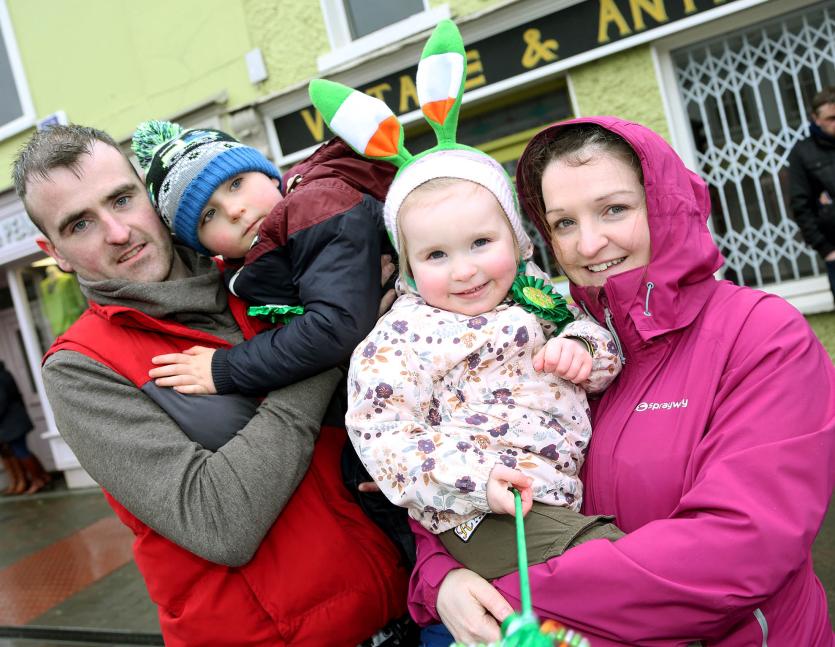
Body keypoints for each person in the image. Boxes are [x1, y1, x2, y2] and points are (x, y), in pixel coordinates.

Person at [407, 117, 835, 646]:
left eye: (614, 209)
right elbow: (462, 475)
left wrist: (504, 593)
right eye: (563, 223)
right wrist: (441, 578)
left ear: (665, 204)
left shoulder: (763, 335)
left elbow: (740, 550)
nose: (589, 244)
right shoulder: (538, 343)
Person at [11, 124, 410, 647]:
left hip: (410, 603)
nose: (117, 231)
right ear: (54, 251)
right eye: (80, 223)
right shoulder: (80, 368)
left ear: (151, 196)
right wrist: (326, 349)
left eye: (123, 199)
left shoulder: (262, 268)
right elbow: (218, 523)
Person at [310, 20, 623, 583]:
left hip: (557, 493)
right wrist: (476, 482)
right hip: (479, 512)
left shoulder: (539, 300)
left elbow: (602, 347)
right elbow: (384, 437)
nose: (465, 270)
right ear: (408, 267)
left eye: (481, 243)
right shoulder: (400, 338)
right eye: (435, 255)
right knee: (616, 569)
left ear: (519, 240)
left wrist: (582, 348)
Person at [128, 120, 395, 396]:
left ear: (269, 176)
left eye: (235, 184)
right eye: (209, 215)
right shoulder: (259, 262)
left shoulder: (315, 210)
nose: (233, 210)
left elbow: (334, 327)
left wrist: (227, 368)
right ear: (204, 247)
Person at [788, 86, 835, 305]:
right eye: (831, 118)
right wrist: (826, 250)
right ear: (815, 118)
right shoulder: (803, 153)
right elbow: (800, 205)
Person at [0, 360, 52, 495]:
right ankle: (42, 477)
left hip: (11, 421)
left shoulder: (1, 376)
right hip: (14, 419)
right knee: (21, 450)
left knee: (20, 451)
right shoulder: (4, 373)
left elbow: (2, 401)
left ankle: (37, 481)